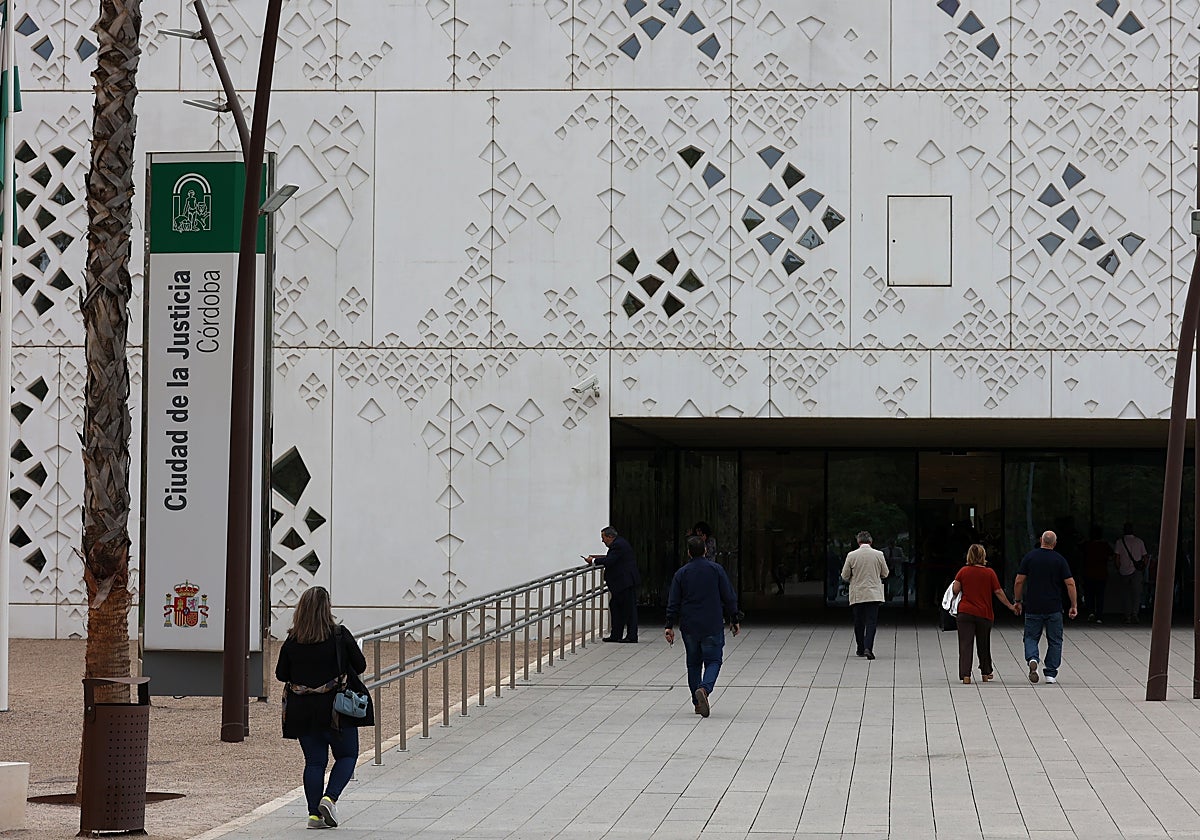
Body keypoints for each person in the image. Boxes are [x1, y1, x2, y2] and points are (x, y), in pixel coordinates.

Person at [275, 586, 373, 830]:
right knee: (347, 755)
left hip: (302, 709)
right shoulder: (339, 635)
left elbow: (281, 674)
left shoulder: (292, 640)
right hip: (336, 709)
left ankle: (313, 816)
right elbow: (360, 666)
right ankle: (329, 798)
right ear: (326, 608)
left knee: (314, 762)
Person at [664, 536, 741, 717]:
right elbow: (728, 595)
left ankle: (697, 703)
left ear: (689, 552)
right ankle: (705, 690)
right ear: (705, 550)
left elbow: (673, 601)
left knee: (693, 664)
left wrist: (669, 624)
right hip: (712, 623)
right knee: (713, 660)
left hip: (690, 625)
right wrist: (734, 617)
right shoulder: (716, 570)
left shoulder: (681, 574)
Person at [1014, 530, 1078, 685]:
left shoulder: (1030, 557)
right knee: (1055, 640)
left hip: (1033, 606)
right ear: (1054, 543)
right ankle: (1050, 673)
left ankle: (1033, 658)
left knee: (1030, 637)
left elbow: (1019, 581)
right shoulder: (1060, 560)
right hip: (1054, 606)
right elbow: (1070, 583)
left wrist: (1018, 600)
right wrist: (1073, 605)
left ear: (1041, 539)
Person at [952, 544, 1019, 684]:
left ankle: (966, 675)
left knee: (965, 644)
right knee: (984, 643)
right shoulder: (990, 573)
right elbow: (998, 592)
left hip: (965, 612)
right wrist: (1010, 606)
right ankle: (986, 672)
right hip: (984, 613)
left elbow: (955, 590)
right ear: (983, 556)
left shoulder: (963, 571)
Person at [585, 525, 640, 642]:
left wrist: (593, 561)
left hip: (625, 583)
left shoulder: (618, 545)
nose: (602, 541)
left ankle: (631, 636)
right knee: (616, 607)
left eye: (603, 538)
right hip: (622, 583)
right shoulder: (619, 544)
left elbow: (610, 561)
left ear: (610, 537)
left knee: (628, 610)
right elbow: (613, 557)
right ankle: (616, 634)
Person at [840, 530, 889, 660]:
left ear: (858, 541)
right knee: (871, 622)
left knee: (859, 622)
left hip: (858, 593)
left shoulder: (851, 555)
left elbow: (844, 576)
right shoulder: (879, 554)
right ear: (871, 541)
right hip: (873, 594)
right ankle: (869, 647)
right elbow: (885, 573)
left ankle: (860, 648)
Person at [1112, 522, 1149, 624]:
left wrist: (1119, 567)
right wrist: (1142, 567)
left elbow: (1117, 558)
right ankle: (1135, 614)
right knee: (1137, 594)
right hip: (1136, 571)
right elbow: (1145, 556)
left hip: (1124, 571)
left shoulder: (1120, 542)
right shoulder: (1139, 541)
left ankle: (1127, 615)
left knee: (1126, 594)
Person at [1080, 526, 1112, 623]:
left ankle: (1090, 612)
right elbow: (1111, 555)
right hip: (1101, 573)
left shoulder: (1086, 545)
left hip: (1088, 573)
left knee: (1089, 594)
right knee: (1100, 596)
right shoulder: (1105, 545)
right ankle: (1099, 615)